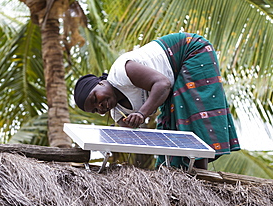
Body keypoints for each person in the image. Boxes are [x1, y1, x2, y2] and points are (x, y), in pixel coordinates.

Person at [74, 32, 240, 169]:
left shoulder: (122, 72)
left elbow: (163, 84)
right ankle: (179, 173)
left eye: (95, 98)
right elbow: (131, 134)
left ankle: (199, 176)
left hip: (191, 51)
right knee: (170, 122)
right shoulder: (117, 112)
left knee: (188, 113)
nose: (100, 106)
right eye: (95, 109)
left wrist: (141, 113)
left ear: (101, 82)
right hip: (174, 78)